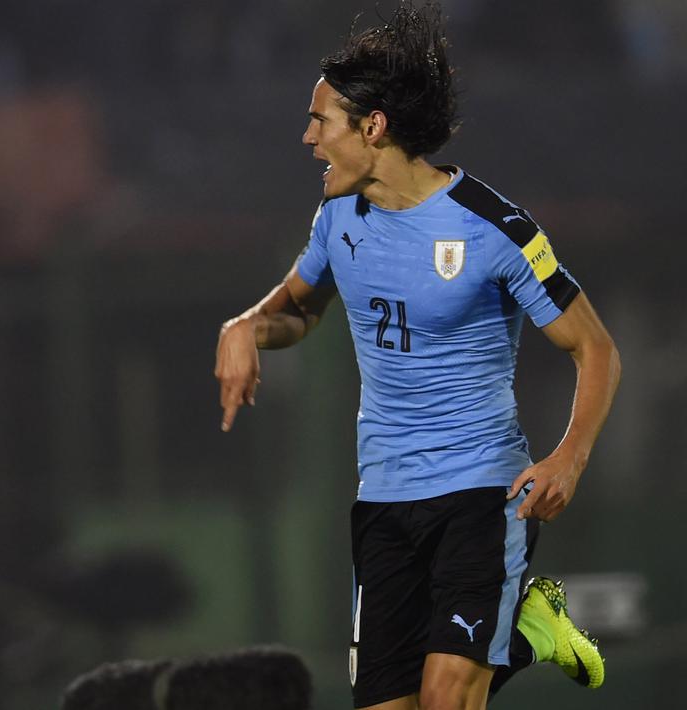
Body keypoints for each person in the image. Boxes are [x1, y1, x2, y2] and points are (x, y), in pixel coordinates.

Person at [213, 4, 620, 709]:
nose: (307, 138)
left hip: (479, 494)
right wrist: (245, 327)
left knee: (445, 700)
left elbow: (595, 348)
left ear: (372, 127)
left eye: (321, 122)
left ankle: (520, 628)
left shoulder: (495, 229)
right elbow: (298, 313)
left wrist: (567, 458)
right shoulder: (337, 214)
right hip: (381, 499)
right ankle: (526, 631)